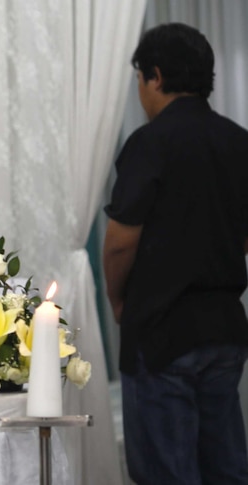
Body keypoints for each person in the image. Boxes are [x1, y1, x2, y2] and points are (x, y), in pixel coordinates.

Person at [103, 23, 248, 485]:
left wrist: (118, 299)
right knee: (225, 466)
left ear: (156, 76)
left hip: (161, 330)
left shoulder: (149, 143)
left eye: (141, 80)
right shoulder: (239, 141)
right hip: (225, 327)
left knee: (167, 471)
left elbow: (121, 241)